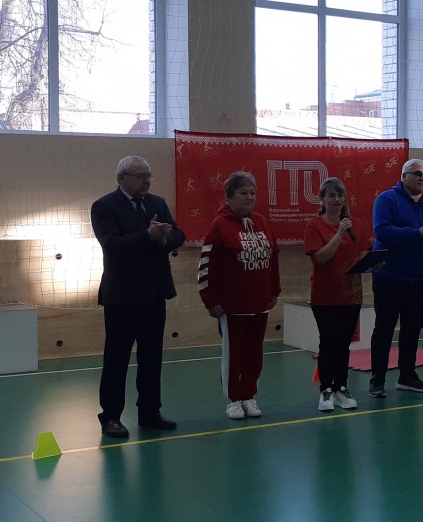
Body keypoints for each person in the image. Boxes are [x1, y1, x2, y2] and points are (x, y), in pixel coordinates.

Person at [91, 155, 185, 438]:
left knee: (152, 357)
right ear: (122, 178)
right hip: (122, 297)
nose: (146, 181)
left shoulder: (157, 203)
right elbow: (113, 245)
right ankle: (110, 417)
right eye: (140, 176)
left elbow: (178, 234)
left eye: (149, 175)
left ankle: (150, 411)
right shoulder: (104, 206)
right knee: (117, 359)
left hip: (155, 293)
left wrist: (164, 239)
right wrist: (149, 236)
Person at [198, 172, 281, 419]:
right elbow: (206, 266)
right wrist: (210, 300)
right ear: (229, 197)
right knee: (234, 355)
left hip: (260, 302)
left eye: (252, 193)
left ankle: (249, 395)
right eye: (243, 193)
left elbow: (273, 258)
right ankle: (233, 399)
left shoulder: (262, 222)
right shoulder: (219, 226)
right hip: (232, 306)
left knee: (255, 354)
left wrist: (274, 291)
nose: (249, 197)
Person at [368, 159, 423, 398]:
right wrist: (420, 231)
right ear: (403, 176)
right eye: (417, 173)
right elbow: (382, 231)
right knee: (384, 328)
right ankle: (377, 379)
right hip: (389, 276)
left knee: (413, 329)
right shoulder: (387, 199)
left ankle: (407, 375)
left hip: (419, 278)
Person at [304, 178, 370, 411]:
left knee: (343, 343)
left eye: (340, 195)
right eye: (331, 195)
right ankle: (326, 390)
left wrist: (372, 262)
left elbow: (363, 253)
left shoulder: (356, 224)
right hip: (325, 295)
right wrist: (339, 234)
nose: (337, 199)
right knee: (328, 342)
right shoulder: (314, 225)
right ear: (322, 199)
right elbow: (320, 258)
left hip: (351, 294)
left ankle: (341, 387)